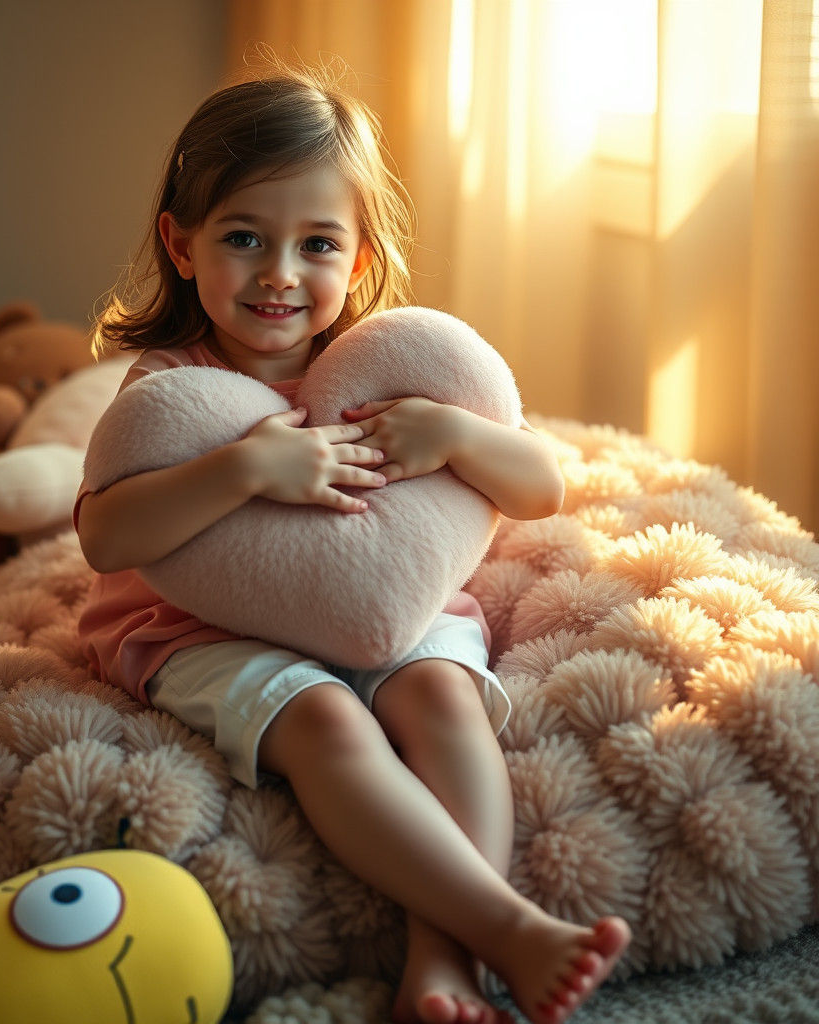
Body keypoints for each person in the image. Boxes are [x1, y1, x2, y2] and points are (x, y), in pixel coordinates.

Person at [75, 61, 630, 1024]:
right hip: (201, 628)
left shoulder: (391, 371)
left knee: (442, 702)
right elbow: (105, 537)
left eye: (317, 244)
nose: (280, 273)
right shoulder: (169, 388)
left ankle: (443, 957)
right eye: (244, 237)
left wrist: (456, 435)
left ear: (361, 260)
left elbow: (541, 487)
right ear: (181, 243)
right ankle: (507, 929)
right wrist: (244, 471)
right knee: (329, 724)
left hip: (395, 603)